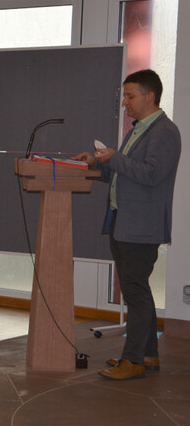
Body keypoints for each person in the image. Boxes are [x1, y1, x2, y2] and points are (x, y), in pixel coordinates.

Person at [73, 69, 181, 380]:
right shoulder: (138, 130)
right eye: (125, 97)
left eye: (131, 96)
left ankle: (132, 360)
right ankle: (147, 355)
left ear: (150, 96)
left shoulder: (164, 132)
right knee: (137, 290)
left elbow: (152, 174)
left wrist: (115, 158)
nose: (125, 103)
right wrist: (97, 163)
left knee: (135, 291)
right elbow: (125, 172)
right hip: (125, 222)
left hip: (141, 226)